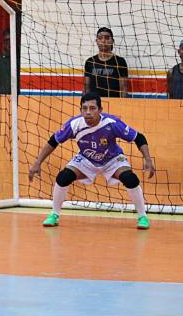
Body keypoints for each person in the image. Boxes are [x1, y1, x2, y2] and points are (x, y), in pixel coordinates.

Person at [28, 91, 155, 229]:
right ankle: (54, 214)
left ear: (100, 110)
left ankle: (142, 216)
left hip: (112, 159)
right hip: (86, 160)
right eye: (85, 108)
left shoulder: (112, 123)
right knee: (63, 177)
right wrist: (37, 163)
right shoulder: (74, 124)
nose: (88, 112)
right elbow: (53, 141)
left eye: (93, 108)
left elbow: (139, 137)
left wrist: (147, 159)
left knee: (130, 179)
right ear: (81, 110)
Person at [84, 27, 129, 98]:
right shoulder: (90, 61)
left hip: (114, 104)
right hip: (95, 105)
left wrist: (122, 106)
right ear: (96, 41)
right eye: (100, 38)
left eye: (107, 38)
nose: (103, 40)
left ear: (112, 41)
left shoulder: (120, 61)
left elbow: (123, 88)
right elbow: (86, 88)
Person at [0, 28, 12, 94]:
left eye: (11, 40)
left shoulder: (20, 60)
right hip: (1, 99)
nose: (9, 43)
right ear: (3, 42)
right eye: (7, 41)